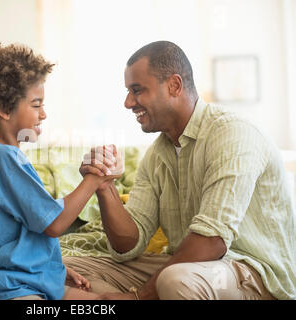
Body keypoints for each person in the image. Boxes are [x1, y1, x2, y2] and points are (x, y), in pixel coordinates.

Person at [64, 40, 296, 300]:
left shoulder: (232, 134)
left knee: (175, 281)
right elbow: (128, 244)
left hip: (253, 272)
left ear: (174, 86)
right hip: (190, 267)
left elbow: (212, 241)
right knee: (66, 269)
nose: (128, 102)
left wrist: (140, 296)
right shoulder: (156, 154)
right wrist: (104, 187)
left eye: (137, 90)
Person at [0, 43, 115, 300]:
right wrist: (94, 179)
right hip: (10, 289)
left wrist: (56, 269)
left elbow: (18, 234)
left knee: (104, 301)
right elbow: (54, 224)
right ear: (5, 109)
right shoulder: (4, 159)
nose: (44, 114)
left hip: (28, 279)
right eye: (36, 104)